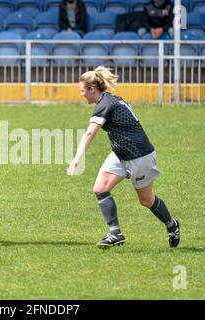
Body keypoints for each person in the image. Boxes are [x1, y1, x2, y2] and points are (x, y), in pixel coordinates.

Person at [67, 66, 180, 249]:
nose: (81, 95)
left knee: (146, 200)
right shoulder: (107, 101)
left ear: (92, 89)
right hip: (120, 153)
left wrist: (76, 159)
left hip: (139, 155)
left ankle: (172, 225)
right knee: (100, 188)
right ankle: (115, 233)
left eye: (82, 91)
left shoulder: (105, 104)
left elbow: (89, 134)